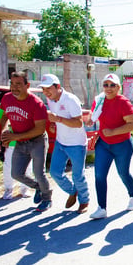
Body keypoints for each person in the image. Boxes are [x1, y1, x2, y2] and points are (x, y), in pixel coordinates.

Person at [88, 73, 133, 219]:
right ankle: (101, 207)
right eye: (106, 85)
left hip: (122, 145)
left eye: (112, 85)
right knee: (99, 175)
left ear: (118, 87)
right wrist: (90, 121)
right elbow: (93, 117)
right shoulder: (99, 100)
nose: (108, 88)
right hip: (104, 144)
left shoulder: (123, 102)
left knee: (123, 173)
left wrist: (113, 131)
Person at [0, 71, 52, 211]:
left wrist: (14, 137)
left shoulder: (36, 103)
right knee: (16, 173)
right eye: (12, 83)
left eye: (18, 84)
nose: (14, 87)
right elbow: (4, 115)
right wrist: (4, 131)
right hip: (21, 142)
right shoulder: (7, 98)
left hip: (37, 141)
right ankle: (38, 188)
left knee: (39, 173)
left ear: (27, 85)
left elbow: (40, 129)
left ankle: (47, 199)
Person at [39, 74, 89, 214]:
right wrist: (55, 125)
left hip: (77, 144)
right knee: (55, 172)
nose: (46, 92)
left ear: (58, 87)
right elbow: (58, 119)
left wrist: (58, 119)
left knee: (78, 175)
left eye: (49, 88)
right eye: (44, 89)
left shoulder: (71, 100)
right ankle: (73, 191)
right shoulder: (51, 100)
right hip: (61, 142)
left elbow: (78, 123)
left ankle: (84, 201)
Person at [0, 104, 32, 199]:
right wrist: (3, 135)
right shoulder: (3, 104)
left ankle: (25, 188)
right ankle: (8, 189)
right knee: (8, 166)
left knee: (27, 166)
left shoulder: (29, 102)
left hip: (27, 140)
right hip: (11, 141)